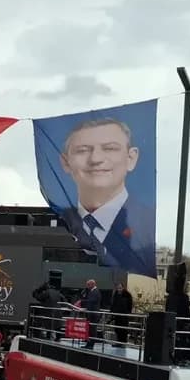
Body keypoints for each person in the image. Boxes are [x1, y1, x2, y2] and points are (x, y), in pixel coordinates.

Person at [54, 118, 155, 275]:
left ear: (131, 158)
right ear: (66, 162)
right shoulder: (59, 222)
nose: (96, 159)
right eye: (82, 150)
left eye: (110, 148)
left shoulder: (147, 223)